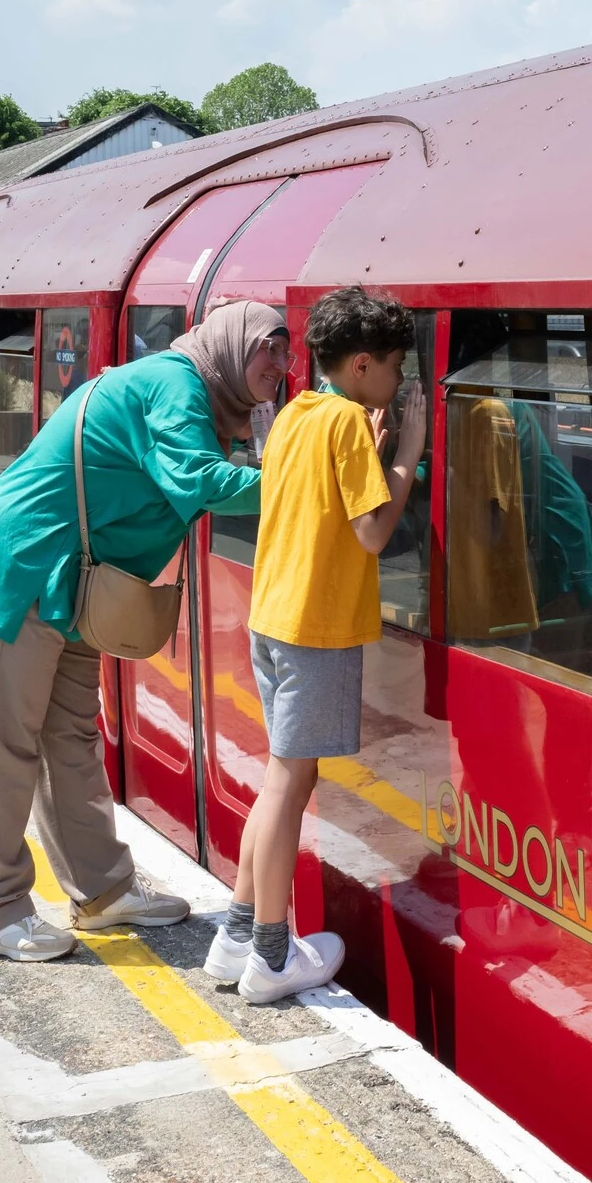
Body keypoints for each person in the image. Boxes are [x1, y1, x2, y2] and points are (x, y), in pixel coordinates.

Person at [0, 302, 288, 961]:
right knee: (2, 739)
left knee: (68, 732)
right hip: (31, 563)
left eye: (286, 351)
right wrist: (301, 481)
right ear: (233, 343)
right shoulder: (179, 386)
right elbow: (199, 480)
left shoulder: (203, 396)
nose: (280, 364)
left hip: (76, 578)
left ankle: (101, 891)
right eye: (269, 346)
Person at [207, 289, 428, 1003]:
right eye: (394, 366)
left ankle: (235, 935)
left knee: (280, 780)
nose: (399, 380)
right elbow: (371, 533)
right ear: (362, 364)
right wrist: (407, 457)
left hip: (273, 618)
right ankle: (271, 956)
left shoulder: (300, 412)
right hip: (316, 630)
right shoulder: (345, 425)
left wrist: (370, 439)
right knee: (288, 785)